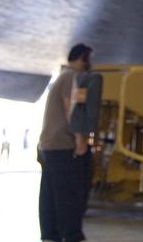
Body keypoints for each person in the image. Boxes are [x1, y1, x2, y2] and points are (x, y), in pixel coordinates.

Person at [39, 43, 93, 242]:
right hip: (62, 145)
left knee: (50, 194)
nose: (90, 64)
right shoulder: (72, 77)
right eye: (89, 59)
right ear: (81, 58)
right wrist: (80, 139)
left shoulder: (60, 77)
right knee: (68, 194)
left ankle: (50, 234)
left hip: (47, 145)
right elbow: (71, 109)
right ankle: (72, 235)